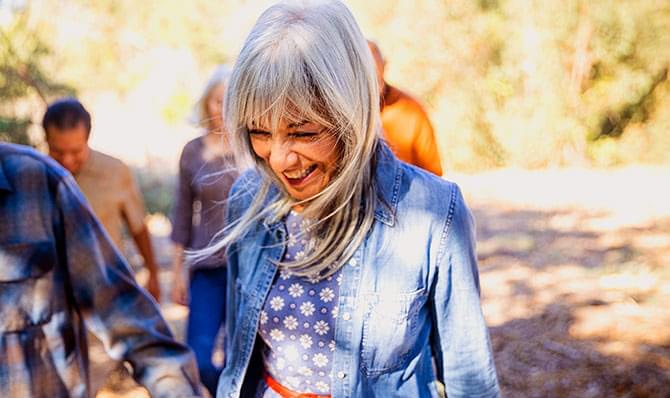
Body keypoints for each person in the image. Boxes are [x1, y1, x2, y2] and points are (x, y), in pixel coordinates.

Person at [197, 1, 500, 397]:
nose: (278, 158)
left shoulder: (433, 212)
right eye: (259, 131)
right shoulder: (248, 199)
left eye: (303, 133)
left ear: (351, 112)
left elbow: (470, 378)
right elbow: (241, 359)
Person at [0, 142, 202, 397]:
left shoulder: (42, 183)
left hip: (93, 272)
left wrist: (152, 270)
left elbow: (123, 309)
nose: (69, 159)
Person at [43, 98, 161, 301]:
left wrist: (153, 274)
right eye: (58, 152)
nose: (67, 160)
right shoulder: (34, 175)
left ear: (87, 139)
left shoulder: (115, 172)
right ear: (46, 140)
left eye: (75, 151)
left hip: (106, 288)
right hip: (53, 291)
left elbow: (138, 227)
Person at [170, 65, 240, 396]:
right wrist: (177, 273)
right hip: (206, 269)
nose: (222, 109)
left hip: (247, 269)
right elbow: (182, 215)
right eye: (216, 101)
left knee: (238, 361)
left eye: (230, 101)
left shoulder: (251, 149)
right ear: (206, 103)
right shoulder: (192, 151)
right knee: (196, 358)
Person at [368, 40, 443, 176]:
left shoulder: (410, 110)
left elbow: (433, 173)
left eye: (376, 80)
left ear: (384, 66)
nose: (373, 88)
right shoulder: (340, 114)